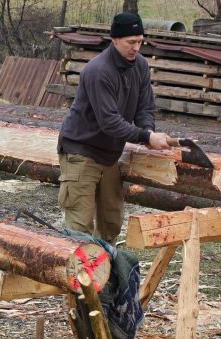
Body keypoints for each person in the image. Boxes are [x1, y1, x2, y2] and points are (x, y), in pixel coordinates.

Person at [57, 12, 171, 243]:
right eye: (131, 42)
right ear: (115, 39)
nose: (136, 47)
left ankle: (104, 273)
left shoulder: (140, 66)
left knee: (111, 221)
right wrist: (146, 136)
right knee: (80, 226)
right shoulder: (98, 71)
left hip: (109, 155)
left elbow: (145, 108)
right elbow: (109, 122)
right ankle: (77, 275)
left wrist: (148, 130)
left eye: (140, 41)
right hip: (81, 152)